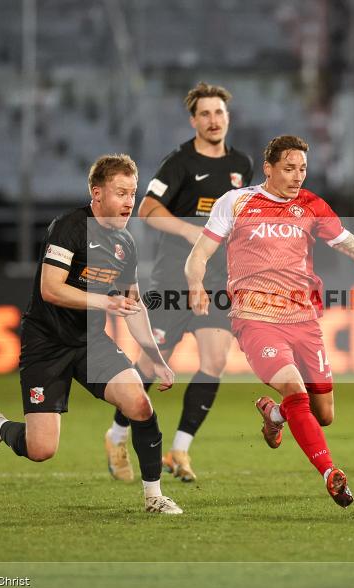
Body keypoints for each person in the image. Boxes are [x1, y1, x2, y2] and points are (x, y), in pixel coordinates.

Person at [185, 134, 354, 508]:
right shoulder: (236, 202)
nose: (297, 176)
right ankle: (330, 473)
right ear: (268, 168)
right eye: (289, 168)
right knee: (295, 390)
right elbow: (199, 255)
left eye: (303, 169)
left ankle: (274, 415)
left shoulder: (311, 206)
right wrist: (195, 284)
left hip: (304, 321)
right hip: (255, 318)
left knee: (323, 415)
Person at [0, 154, 183, 514]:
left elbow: (133, 305)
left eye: (133, 193)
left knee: (140, 405)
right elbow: (51, 288)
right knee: (41, 450)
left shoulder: (125, 243)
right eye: (121, 192)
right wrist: (104, 302)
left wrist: (155, 359)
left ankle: (154, 497)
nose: (129, 201)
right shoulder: (69, 227)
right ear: (97, 193)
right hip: (46, 343)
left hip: (90, 343)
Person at [105, 82, 254, 483]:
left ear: (228, 117)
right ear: (193, 121)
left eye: (219, 112)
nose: (213, 120)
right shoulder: (179, 162)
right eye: (205, 114)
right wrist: (190, 231)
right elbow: (147, 208)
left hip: (217, 281)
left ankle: (180, 450)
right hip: (173, 278)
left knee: (215, 360)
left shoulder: (241, 165)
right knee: (153, 363)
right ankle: (116, 435)